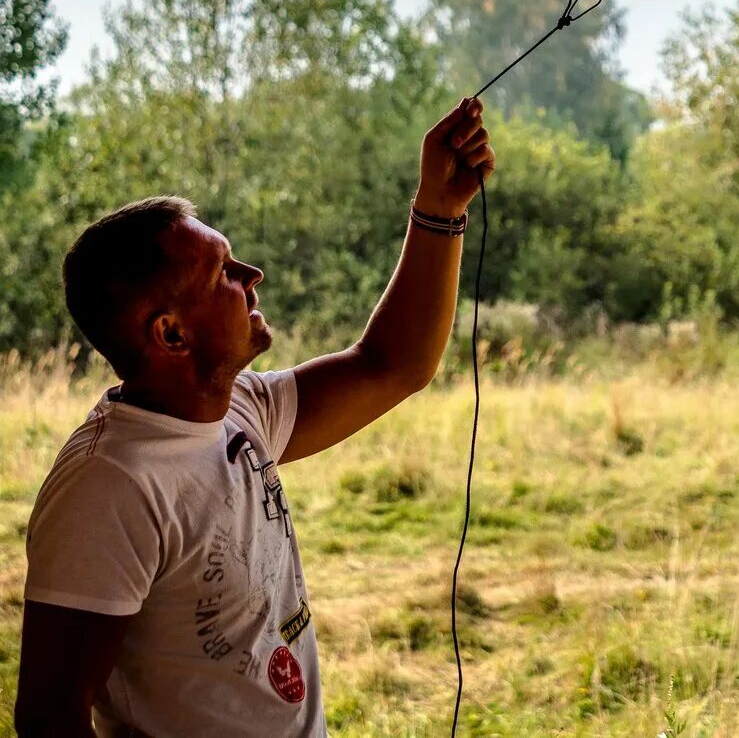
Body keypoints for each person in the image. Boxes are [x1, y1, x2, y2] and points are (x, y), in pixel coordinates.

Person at [15, 97, 494, 738]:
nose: (253, 275)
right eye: (223, 273)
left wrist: (439, 208)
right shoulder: (108, 486)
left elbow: (392, 365)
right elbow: (50, 714)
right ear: (171, 333)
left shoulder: (240, 408)